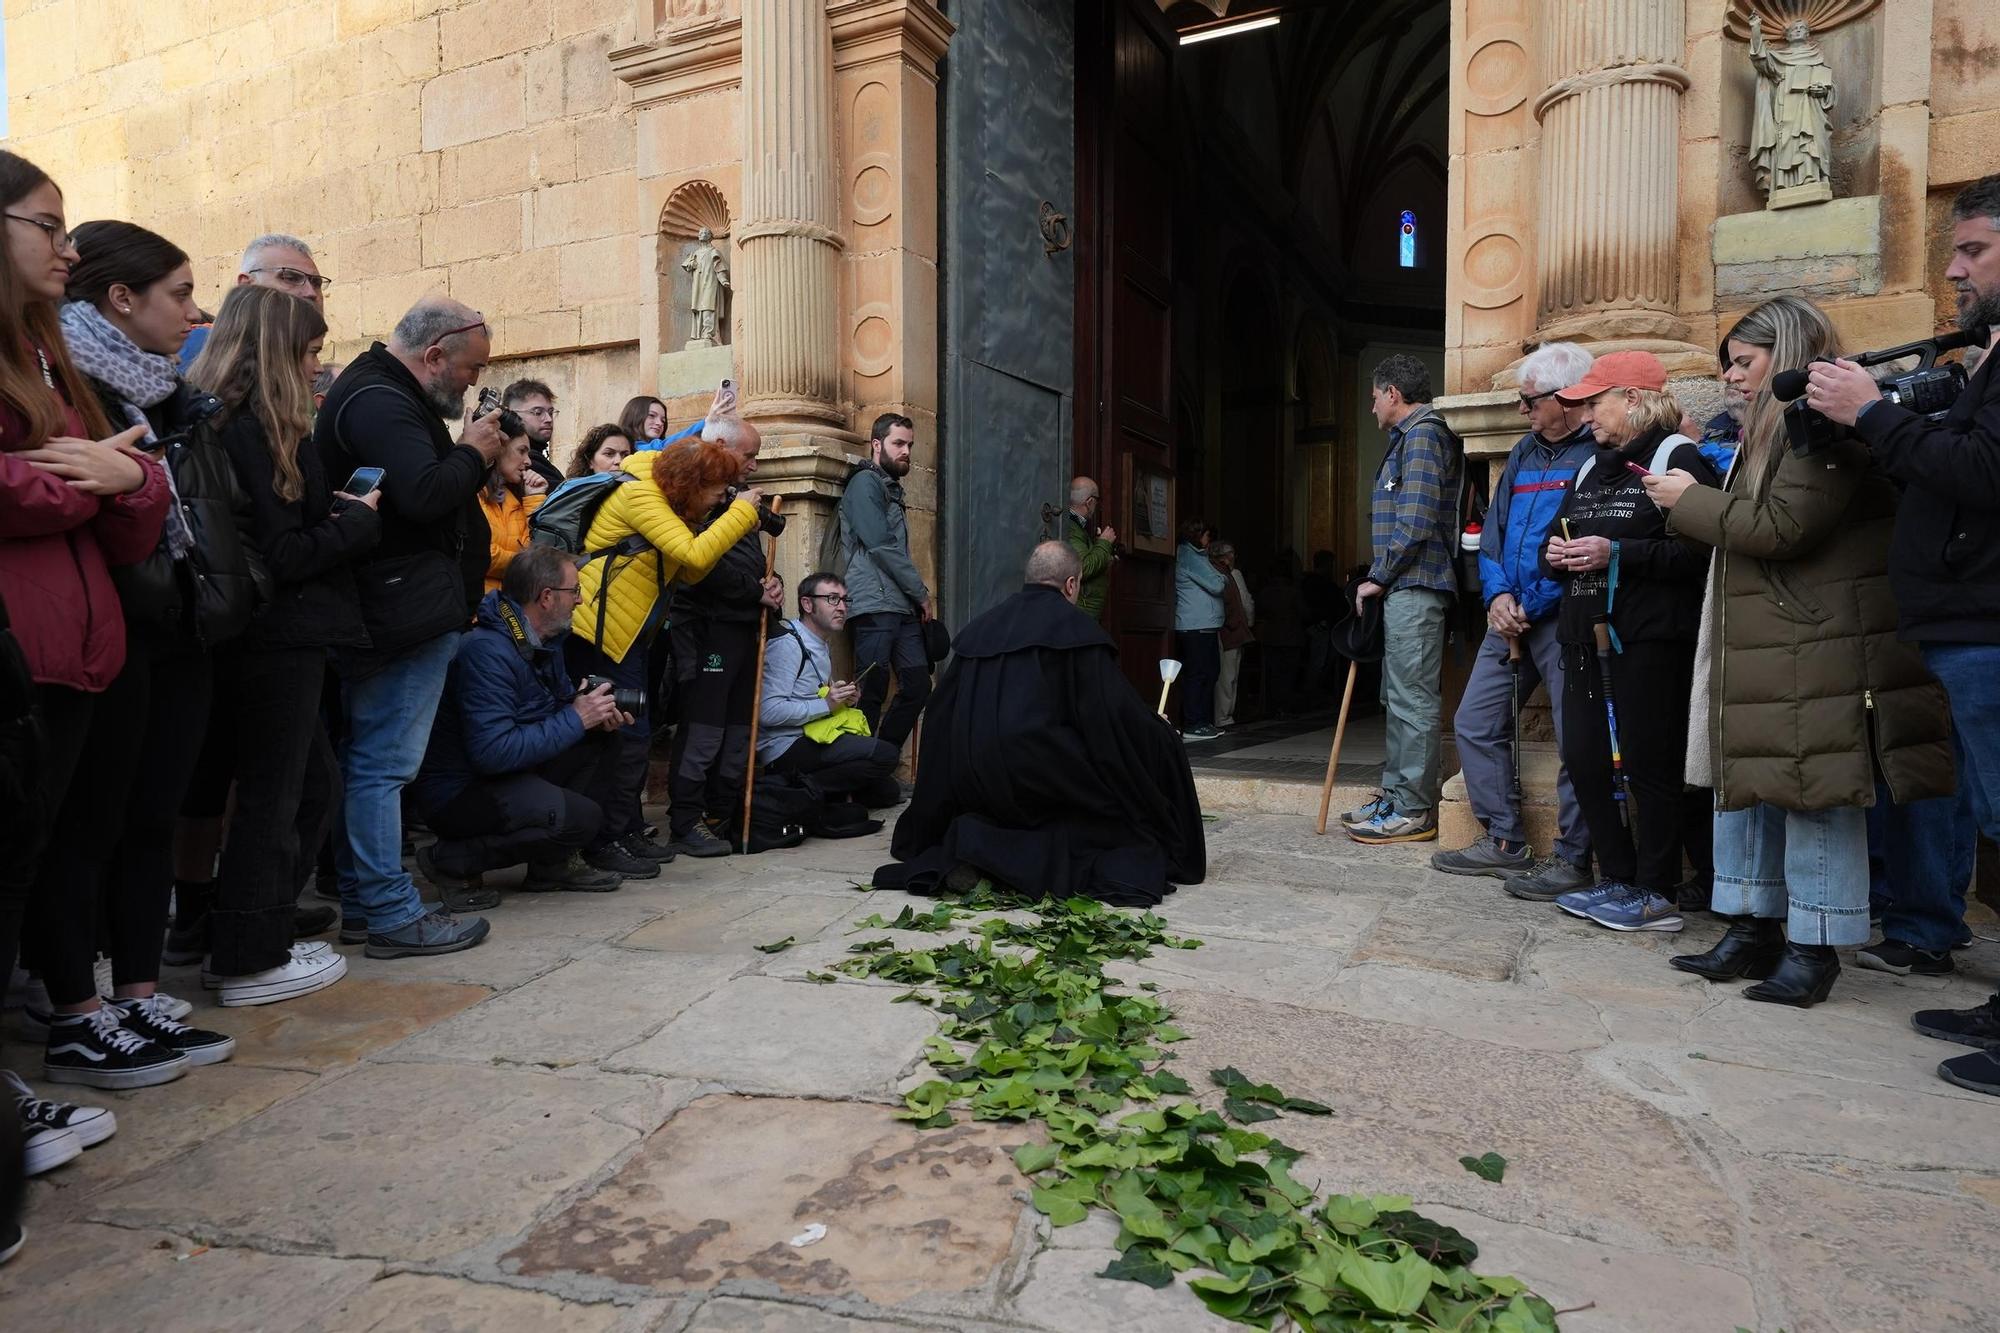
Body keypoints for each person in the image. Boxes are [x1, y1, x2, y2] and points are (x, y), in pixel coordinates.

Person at [1642, 295, 1955, 1006]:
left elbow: (1786, 526)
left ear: (1786, 354)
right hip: (1769, 636)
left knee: (1816, 795)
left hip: (1815, 637)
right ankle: (1751, 927)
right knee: (1749, 785)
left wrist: (1686, 499)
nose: (1730, 378)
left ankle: (1815, 947)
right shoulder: (1769, 427)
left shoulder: (1824, 426)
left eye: (1743, 363)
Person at [26, 218, 256, 1083]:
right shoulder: (68, 380)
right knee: (94, 821)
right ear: (122, 300)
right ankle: (77, 1005)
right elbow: (83, 490)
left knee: (152, 813)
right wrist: (136, 482)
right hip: (114, 622)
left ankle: (134, 990)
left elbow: (192, 500)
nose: (193, 312)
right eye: (181, 293)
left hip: (181, 621)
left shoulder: (162, 386)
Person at [1803, 174, 2000, 1088]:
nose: (1954, 268)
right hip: (1963, 619)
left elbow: (1982, 470)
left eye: (1973, 251)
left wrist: (1872, 414)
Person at [1, 148, 163, 1161]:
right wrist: (98, 481)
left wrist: (118, 481)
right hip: (20, 654)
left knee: (39, 865)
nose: (68, 246)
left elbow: (134, 493)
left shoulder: (49, 350)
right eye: (49, 226)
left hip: (81, 649)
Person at [179, 284, 374, 1005]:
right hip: (275, 633)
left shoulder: (218, 416)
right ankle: (249, 955)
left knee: (296, 785)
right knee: (280, 792)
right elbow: (287, 552)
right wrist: (357, 519)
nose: (320, 366)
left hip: (247, 631)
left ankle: (241, 934)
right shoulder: (258, 427)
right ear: (277, 352)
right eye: (312, 351)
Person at [315, 297, 509, 959]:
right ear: (434, 355)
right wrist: (476, 451)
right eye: (470, 368)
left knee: (370, 760)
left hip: (404, 605)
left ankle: (369, 904)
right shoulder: (378, 398)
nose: (472, 383)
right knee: (382, 764)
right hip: (399, 610)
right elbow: (424, 492)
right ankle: (393, 912)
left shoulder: (385, 392)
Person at [874, 542, 1205, 906]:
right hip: (1044, 778)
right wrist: (1160, 732)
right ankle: (1015, 862)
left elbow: (940, 712)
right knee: (1114, 818)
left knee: (1001, 809)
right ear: (1071, 585)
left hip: (977, 781)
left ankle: (978, 852)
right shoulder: (1076, 630)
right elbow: (1115, 718)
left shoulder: (983, 627)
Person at [1538, 350, 1718, 933]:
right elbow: (1557, 537)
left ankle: (1655, 890)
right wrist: (1557, 555)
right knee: (1587, 760)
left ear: (1634, 399)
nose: (1586, 414)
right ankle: (1615, 876)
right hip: (1583, 635)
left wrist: (1617, 552)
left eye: (1595, 401)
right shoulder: (1592, 465)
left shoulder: (1677, 456)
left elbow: (1704, 552)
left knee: (1651, 765)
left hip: (1649, 639)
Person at [1433, 341, 1596, 892]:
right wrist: (1497, 598)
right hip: (1509, 616)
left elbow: (1580, 542)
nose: (1522, 411)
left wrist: (1535, 603)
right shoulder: (1525, 451)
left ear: (1567, 397)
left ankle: (1573, 855)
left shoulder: (1597, 451)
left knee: (1578, 737)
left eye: (1530, 401)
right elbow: (1495, 533)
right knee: (1474, 721)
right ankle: (1504, 839)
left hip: (1561, 615)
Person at [564, 436, 763, 878]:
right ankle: (601, 840)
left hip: (631, 634)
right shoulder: (639, 493)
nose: (718, 498)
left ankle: (626, 829)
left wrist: (723, 518)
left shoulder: (663, 499)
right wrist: (742, 513)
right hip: (600, 633)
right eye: (715, 489)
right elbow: (695, 553)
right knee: (611, 741)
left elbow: (690, 569)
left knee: (634, 737)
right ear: (693, 482)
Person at [411, 546, 629, 898]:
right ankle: (450, 860)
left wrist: (594, 714)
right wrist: (576, 717)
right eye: (574, 591)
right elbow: (492, 752)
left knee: (601, 740)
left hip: (498, 776)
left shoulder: (541, 642)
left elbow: (548, 712)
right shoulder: (487, 651)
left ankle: (550, 867)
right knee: (582, 818)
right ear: (546, 597)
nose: (579, 600)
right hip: (459, 792)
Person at [1343, 355, 1463, 844]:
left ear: (1392, 393)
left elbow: (1414, 520)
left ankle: (1414, 808)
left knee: (1411, 699)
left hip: (1416, 583)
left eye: (1374, 397)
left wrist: (1378, 575)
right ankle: (1396, 797)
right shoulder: (1410, 438)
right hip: (1406, 585)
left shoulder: (1424, 436)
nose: (1372, 407)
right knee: (1397, 697)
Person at [664, 414, 784, 858]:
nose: (753, 464)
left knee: (737, 730)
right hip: (706, 631)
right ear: (717, 446)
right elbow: (701, 569)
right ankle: (686, 819)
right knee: (705, 730)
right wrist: (755, 592)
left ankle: (720, 812)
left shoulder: (737, 503)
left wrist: (774, 586)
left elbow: (754, 564)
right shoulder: (692, 500)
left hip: (744, 630)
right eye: (748, 454)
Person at [759, 573, 901, 802]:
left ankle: (823, 793)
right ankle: (800, 791)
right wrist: (826, 704)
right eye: (833, 599)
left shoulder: (820, 642)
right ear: (807, 604)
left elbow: (815, 693)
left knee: (887, 792)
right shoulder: (789, 644)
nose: (842, 608)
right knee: (886, 755)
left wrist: (845, 698)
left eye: (845, 600)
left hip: (815, 735)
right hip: (786, 747)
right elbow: (767, 712)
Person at [840, 412, 933, 748]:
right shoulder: (865, 483)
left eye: (909, 444)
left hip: (900, 605)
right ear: (877, 444)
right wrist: (921, 593)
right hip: (874, 604)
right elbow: (880, 544)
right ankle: (861, 768)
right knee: (871, 692)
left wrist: (913, 597)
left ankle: (882, 758)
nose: (906, 450)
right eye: (898, 443)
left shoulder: (891, 487)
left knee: (919, 684)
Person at [178, 234, 330, 370]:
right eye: (290, 278)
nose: (311, 293)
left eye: (316, 283)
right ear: (247, 285)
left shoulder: (301, 364)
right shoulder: (196, 346)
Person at [478, 420, 547, 593]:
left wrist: (535, 498)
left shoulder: (514, 500)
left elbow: (539, 554)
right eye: (521, 451)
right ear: (498, 447)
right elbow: (483, 555)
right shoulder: (471, 492)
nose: (528, 461)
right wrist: (524, 564)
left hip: (509, 612)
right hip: (474, 609)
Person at [1172, 519, 1225, 740]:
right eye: (1206, 535)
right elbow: (1218, 584)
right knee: (1199, 674)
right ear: (1196, 536)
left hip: (1202, 625)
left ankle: (1201, 721)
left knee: (1208, 673)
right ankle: (1194, 724)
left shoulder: (1195, 557)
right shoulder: (1191, 557)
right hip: (1196, 626)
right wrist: (1222, 576)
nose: (1209, 539)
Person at [1256, 552, 1305, 715]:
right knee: (1289, 675)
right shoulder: (1294, 592)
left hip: (1271, 637)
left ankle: (1274, 707)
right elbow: (1303, 612)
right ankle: (1285, 707)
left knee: (1274, 674)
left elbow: (1260, 611)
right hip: (1292, 637)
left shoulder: (1265, 592)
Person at [1063, 476, 1118, 620]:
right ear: (1090, 502)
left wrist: (1103, 553)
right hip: (1081, 611)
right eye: (1097, 500)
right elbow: (1083, 567)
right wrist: (1104, 543)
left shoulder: (1076, 526)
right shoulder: (1072, 528)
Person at [1212, 540, 1255, 728]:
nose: (1233, 557)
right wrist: (1249, 623)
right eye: (1231, 553)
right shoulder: (1233, 574)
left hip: (1223, 628)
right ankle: (1224, 717)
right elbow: (1246, 603)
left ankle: (1224, 715)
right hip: (1231, 628)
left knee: (1227, 674)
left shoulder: (1216, 572)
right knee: (1229, 675)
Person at [502, 377, 564, 490]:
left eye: (550, 412)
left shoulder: (539, 458)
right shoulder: (524, 463)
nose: (548, 419)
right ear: (511, 413)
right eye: (538, 412)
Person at [567, 423, 632, 478]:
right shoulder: (573, 492)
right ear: (590, 461)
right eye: (609, 454)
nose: (619, 461)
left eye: (625, 455)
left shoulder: (640, 489)